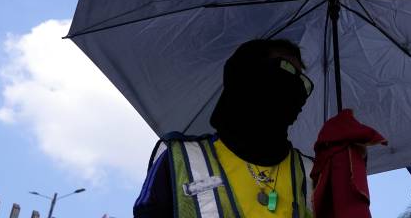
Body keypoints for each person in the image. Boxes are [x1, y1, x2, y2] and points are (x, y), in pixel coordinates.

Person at [134, 39, 315, 218]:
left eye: (304, 83)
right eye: (287, 69)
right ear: (248, 73)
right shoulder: (181, 159)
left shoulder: (312, 173)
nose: (297, 88)